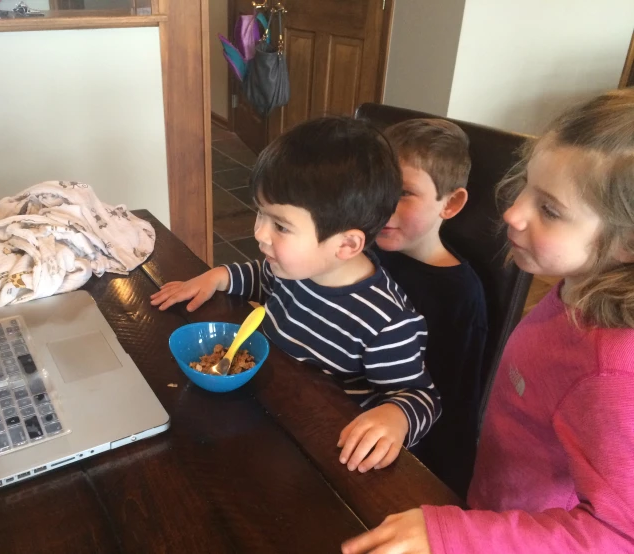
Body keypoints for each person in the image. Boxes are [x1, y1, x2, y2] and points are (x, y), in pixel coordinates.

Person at [342, 88, 634, 554]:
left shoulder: (612, 374)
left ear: (627, 243)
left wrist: (457, 534)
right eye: (525, 188)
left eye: (550, 209)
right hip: (489, 508)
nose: (512, 213)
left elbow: (619, 535)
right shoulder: (577, 286)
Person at [151, 116, 441, 471]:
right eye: (260, 214)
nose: (259, 234)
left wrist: (397, 416)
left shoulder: (386, 321)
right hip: (269, 408)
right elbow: (262, 277)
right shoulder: (294, 267)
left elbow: (422, 397)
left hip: (324, 450)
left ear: (347, 244)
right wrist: (219, 276)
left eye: (280, 226)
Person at [372, 118, 487, 497]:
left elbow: (455, 406)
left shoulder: (458, 294)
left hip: (403, 452)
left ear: (450, 203)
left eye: (404, 192)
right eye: (378, 187)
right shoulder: (363, 250)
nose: (383, 205)